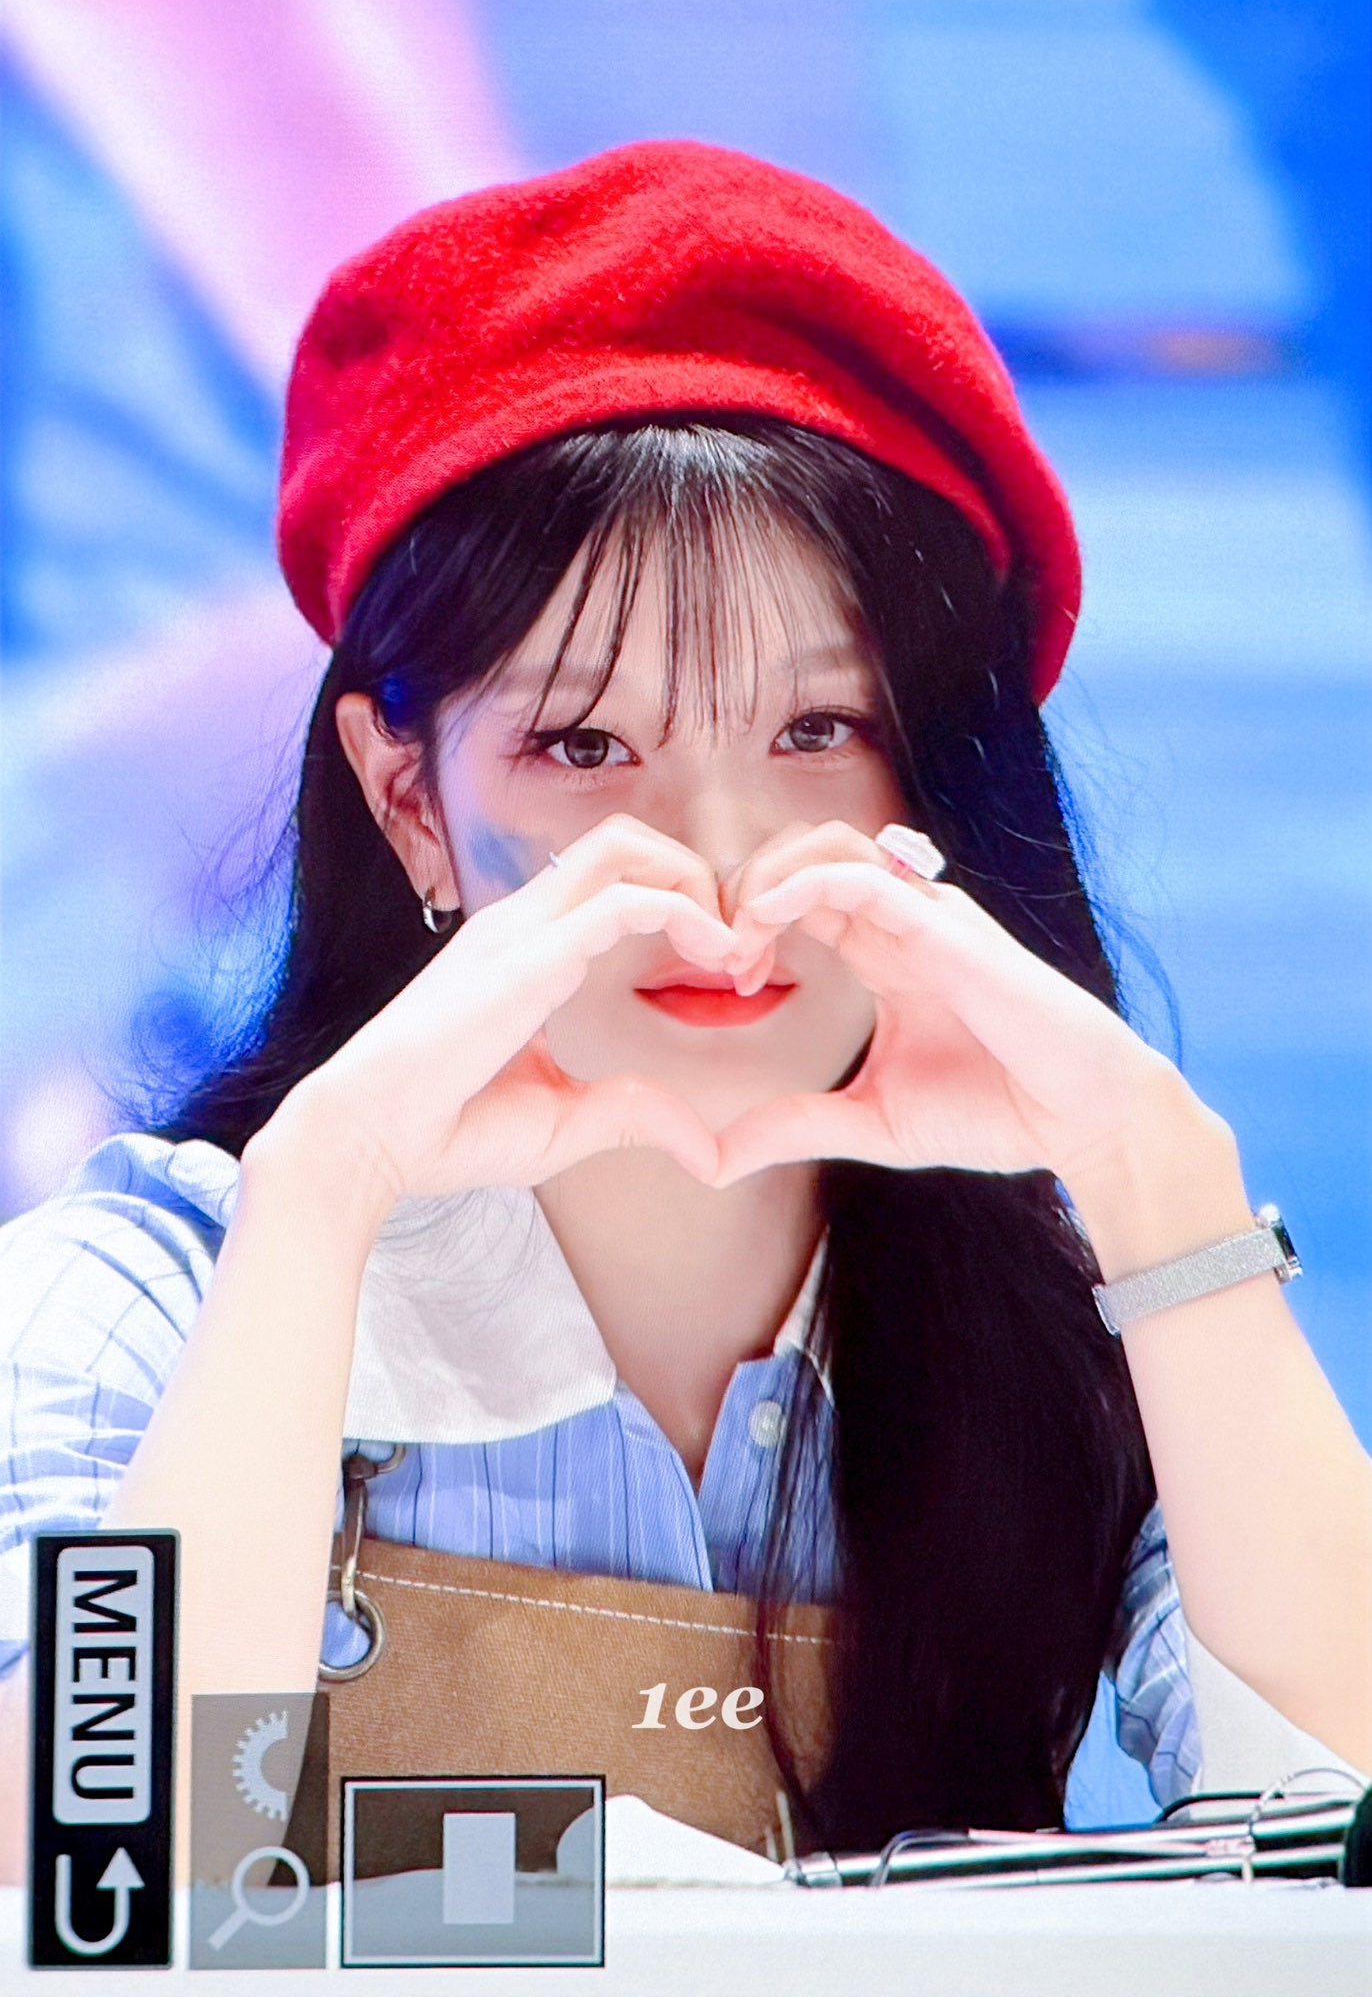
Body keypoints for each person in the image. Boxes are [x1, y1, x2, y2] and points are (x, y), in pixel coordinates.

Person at [1, 142, 1368, 1883]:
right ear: (409, 797)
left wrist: (1161, 1182)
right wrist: (320, 1200)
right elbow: (93, 1880)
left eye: (817, 733)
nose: (719, 866)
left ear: (936, 776)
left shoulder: (1078, 1329)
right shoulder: (147, 1299)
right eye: (586, 745)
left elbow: (1341, 1843)